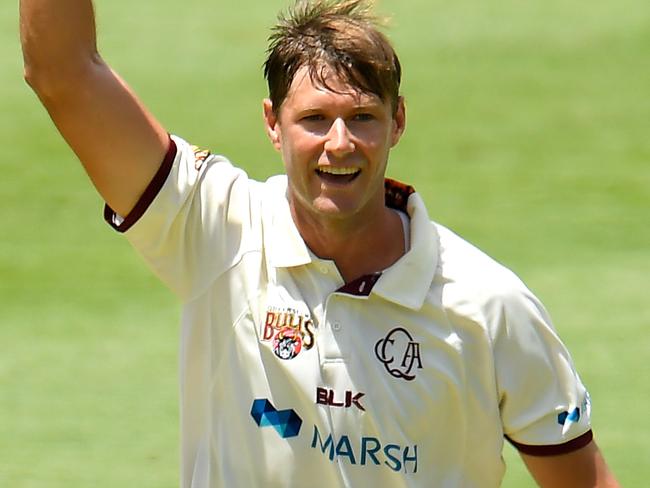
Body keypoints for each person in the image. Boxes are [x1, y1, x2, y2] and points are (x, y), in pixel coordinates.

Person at [20, 0, 620, 486]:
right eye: (313, 120)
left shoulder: (491, 306)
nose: (339, 144)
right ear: (271, 122)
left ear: (398, 121)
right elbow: (62, 71)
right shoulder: (218, 228)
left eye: (362, 117)